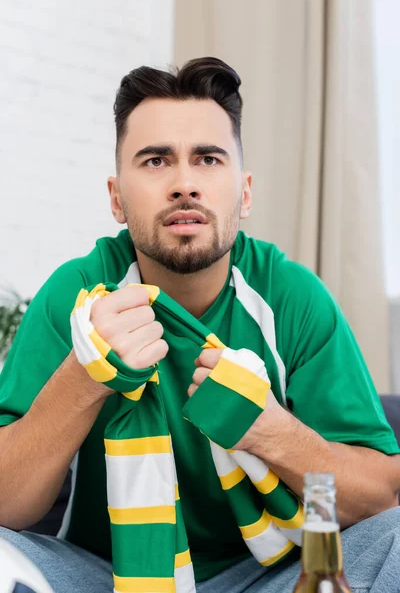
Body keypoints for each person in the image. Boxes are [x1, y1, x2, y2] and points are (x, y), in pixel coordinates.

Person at [0, 56, 399, 593]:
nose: (185, 184)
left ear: (246, 192)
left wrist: (271, 431)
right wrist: (85, 374)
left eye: (208, 159)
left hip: (272, 576)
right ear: (117, 198)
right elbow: (7, 505)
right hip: (105, 577)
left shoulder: (293, 297)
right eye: (156, 161)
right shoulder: (74, 297)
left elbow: (380, 499)